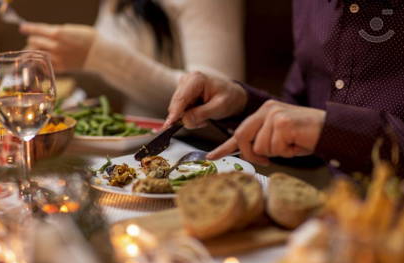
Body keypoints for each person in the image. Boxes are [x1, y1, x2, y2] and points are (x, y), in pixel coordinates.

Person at [164, 0, 404, 175]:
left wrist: (333, 130)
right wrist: (241, 104)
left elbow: (322, 127)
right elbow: (305, 129)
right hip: (346, 217)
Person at [19, 0, 244, 118]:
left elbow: (216, 100)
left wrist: (96, 54)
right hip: (129, 147)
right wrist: (64, 63)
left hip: (188, 155)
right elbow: (121, 85)